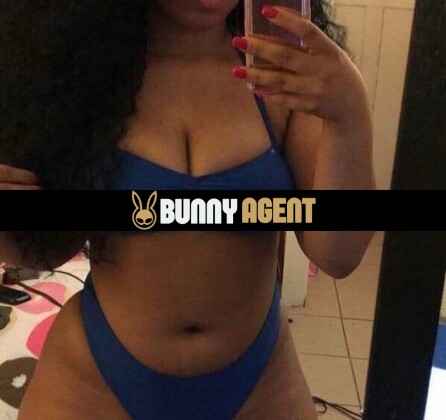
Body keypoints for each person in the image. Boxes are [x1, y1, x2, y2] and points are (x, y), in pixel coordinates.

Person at [0, 1, 375, 418]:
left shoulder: (282, 74)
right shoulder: (83, 71)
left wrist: (350, 115)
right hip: (95, 381)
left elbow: (338, 254)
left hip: (259, 382)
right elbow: (45, 247)